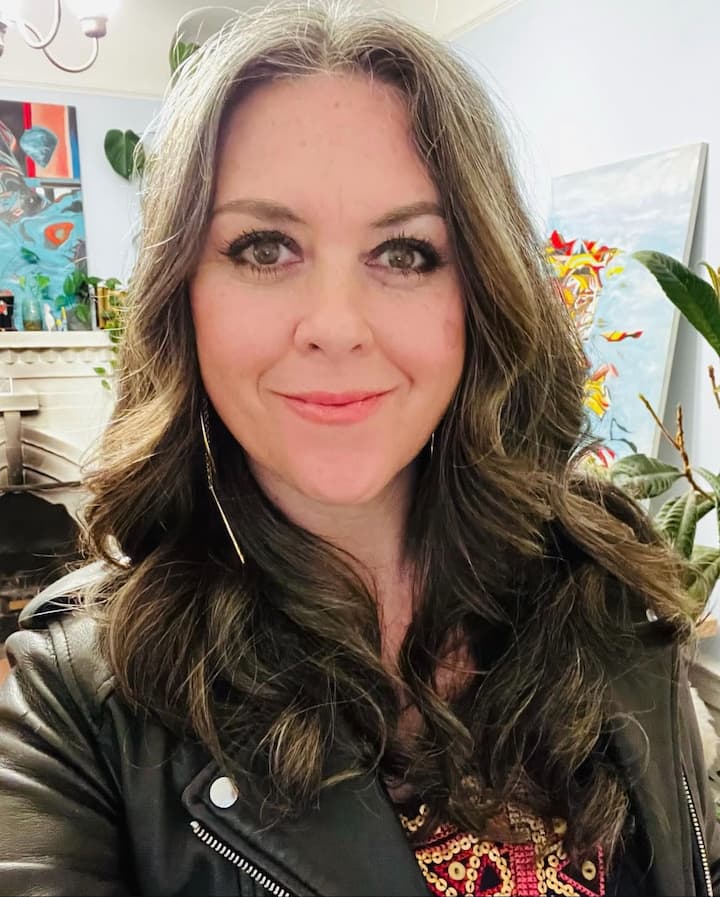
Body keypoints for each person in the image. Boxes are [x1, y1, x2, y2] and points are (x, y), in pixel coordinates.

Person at [0, 2, 717, 895]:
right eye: (265, 247)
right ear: (183, 296)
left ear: (481, 295)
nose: (336, 326)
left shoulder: (601, 584)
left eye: (405, 253)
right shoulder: (79, 701)